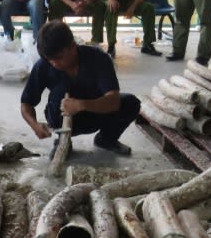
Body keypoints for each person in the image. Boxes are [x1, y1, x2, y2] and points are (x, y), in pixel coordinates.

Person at [21, 21, 140, 158]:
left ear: (73, 47)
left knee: (130, 103)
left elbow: (113, 101)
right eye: (50, 60)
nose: (54, 64)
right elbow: (26, 104)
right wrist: (34, 125)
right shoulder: (43, 65)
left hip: (96, 114)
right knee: (60, 93)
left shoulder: (98, 59)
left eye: (58, 58)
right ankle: (63, 141)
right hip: (61, 119)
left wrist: (81, 105)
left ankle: (106, 139)